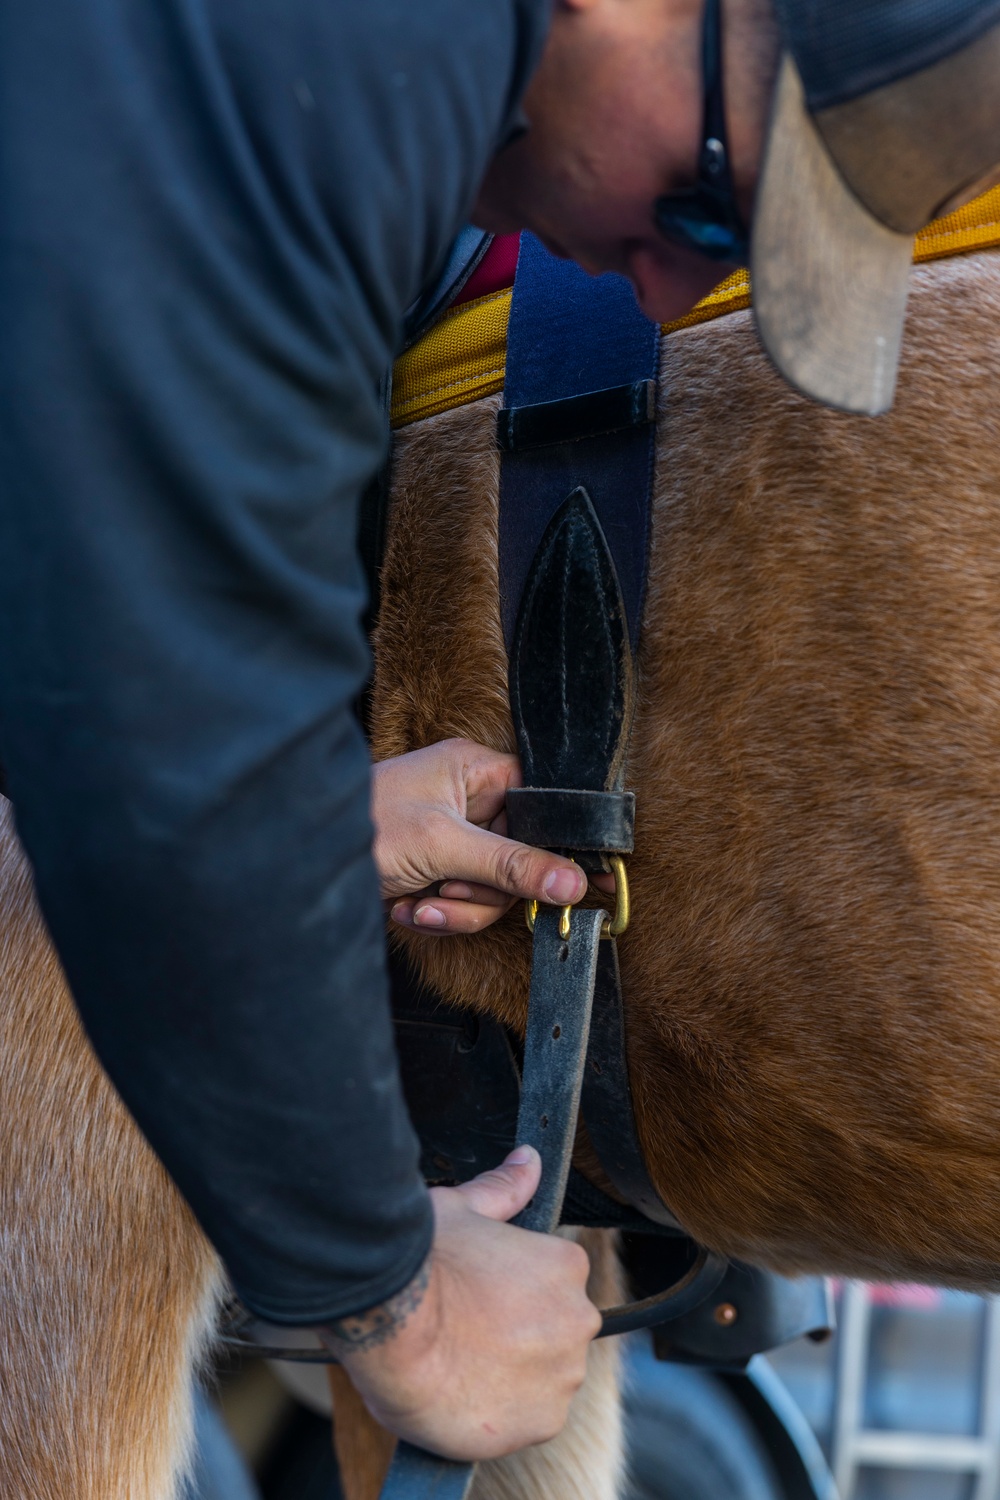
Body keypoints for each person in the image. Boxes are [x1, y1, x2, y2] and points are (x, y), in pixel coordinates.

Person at [0, 0, 998, 1465]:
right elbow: (136, 757)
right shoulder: (283, 79)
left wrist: (325, 827)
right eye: (707, 216)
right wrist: (384, 1299)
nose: (655, 300)